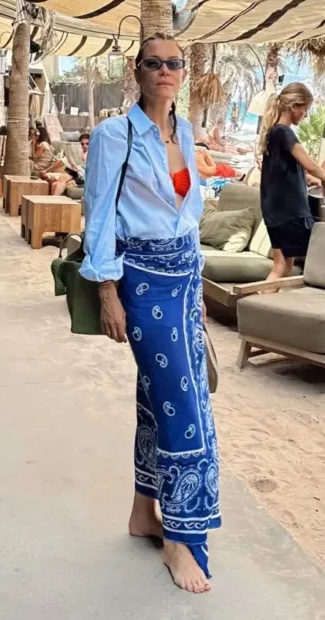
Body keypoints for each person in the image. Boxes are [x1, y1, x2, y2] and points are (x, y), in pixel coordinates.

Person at [82, 34, 218, 594]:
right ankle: (179, 539)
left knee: (155, 399)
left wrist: (198, 285)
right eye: (153, 63)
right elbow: (98, 213)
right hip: (142, 280)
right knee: (183, 405)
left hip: (185, 278)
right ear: (136, 72)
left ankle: (143, 513)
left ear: (184, 73)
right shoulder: (114, 135)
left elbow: (186, 215)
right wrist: (106, 292)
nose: (165, 70)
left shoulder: (184, 132)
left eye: (174, 63)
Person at [259, 83, 325, 280]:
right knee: (317, 259)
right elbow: (308, 163)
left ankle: (263, 298)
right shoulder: (284, 132)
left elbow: (285, 172)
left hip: (273, 210)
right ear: (294, 106)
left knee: (282, 266)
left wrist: (313, 181)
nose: (305, 115)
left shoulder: (272, 133)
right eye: (305, 110)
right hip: (290, 212)